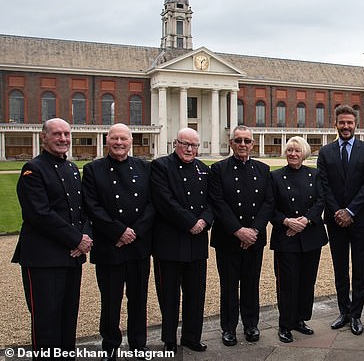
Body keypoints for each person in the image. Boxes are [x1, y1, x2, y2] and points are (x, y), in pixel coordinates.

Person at [12, 118, 93, 357]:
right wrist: (76, 240)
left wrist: (85, 236)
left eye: (66, 134)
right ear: (43, 137)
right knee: (46, 319)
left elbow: (82, 210)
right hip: (43, 258)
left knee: (69, 315)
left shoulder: (70, 168)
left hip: (71, 256)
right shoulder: (33, 169)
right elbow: (39, 214)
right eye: (56, 134)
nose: (63, 139)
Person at [82, 123, 154, 360]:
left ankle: (138, 344)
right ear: (107, 141)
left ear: (131, 141)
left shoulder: (145, 167)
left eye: (124, 138)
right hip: (109, 246)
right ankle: (110, 344)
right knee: (110, 301)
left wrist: (134, 232)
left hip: (139, 246)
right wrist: (118, 232)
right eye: (115, 138)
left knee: (138, 299)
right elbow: (92, 206)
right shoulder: (93, 169)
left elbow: (153, 205)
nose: (119, 143)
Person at [210, 125, 274, 346]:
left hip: (254, 239)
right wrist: (239, 231)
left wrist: (253, 231)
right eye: (238, 141)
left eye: (247, 141)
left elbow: (268, 202)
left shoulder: (263, 170)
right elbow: (218, 203)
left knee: (251, 284)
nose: (243, 145)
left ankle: (250, 324)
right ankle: (228, 328)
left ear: (253, 144)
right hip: (228, 239)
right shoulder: (218, 169)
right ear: (231, 143)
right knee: (228, 285)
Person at [317, 104, 364, 335]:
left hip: (360, 219)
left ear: (356, 124)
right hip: (335, 220)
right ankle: (344, 311)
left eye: (349, 123)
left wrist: (350, 211)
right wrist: (337, 212)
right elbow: (324, 185)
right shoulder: (326, 152)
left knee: (360, 268)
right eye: (342, 122)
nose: (346, 126)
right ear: (336, 124)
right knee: (340, 267)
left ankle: (357, 315)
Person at [151, 128, 212, 353]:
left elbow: (212, 201)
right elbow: (164, 201)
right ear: (175, 143)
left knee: (196, 293)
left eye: (194, 145)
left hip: (197, 242)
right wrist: (190, 222)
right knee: (168, 294)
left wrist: (204, 221)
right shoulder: (160, 166)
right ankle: (169, 338)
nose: (189, 149)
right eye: (185, 144)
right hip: (169, 242)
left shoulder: (204, 170)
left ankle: (191, 337)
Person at [270, 136, 328, 343]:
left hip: (310, 236)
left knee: (306, 282)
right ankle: (285, 324)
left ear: (304, 153)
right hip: (285, 237)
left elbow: (321, 200)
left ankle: (300, 320)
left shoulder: (315, 174)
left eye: (297, 150)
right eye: (290, 150)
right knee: (287, 283)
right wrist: (287, 222)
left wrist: (305, 221)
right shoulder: (275, 177)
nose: (293, 154)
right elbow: (270, 207)